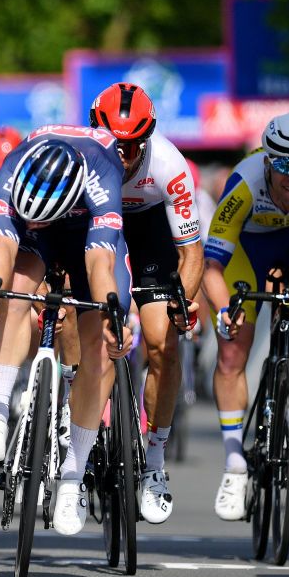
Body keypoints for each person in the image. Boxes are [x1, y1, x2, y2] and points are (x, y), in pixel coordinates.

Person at [0, 124, 133, 537]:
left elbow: (99, 267)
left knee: (97, 344)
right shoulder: (10, 170)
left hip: (86, 237)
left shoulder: (102, 175)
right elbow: (1, 254)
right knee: (15, 292)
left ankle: (73, 479)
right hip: (32, 233)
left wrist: (114, 319)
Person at [202, 112, 289, 521]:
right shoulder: (243, 185)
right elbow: (211, 269)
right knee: (231, 352)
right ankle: (234, 464)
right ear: (267, 161)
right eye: (284, 164)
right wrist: (225, 313)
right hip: (249, 252)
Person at [88, 82, 202, 524]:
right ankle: (74, 419)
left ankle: (154, 461)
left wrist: (182, 303)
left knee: (163, 344)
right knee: (81, 319)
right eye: (116, 144)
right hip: (101, 234)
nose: (124, 155)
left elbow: (191, 253)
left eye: (134, 146)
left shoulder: (170, 165)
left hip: (152, 235)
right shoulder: (81, 156)